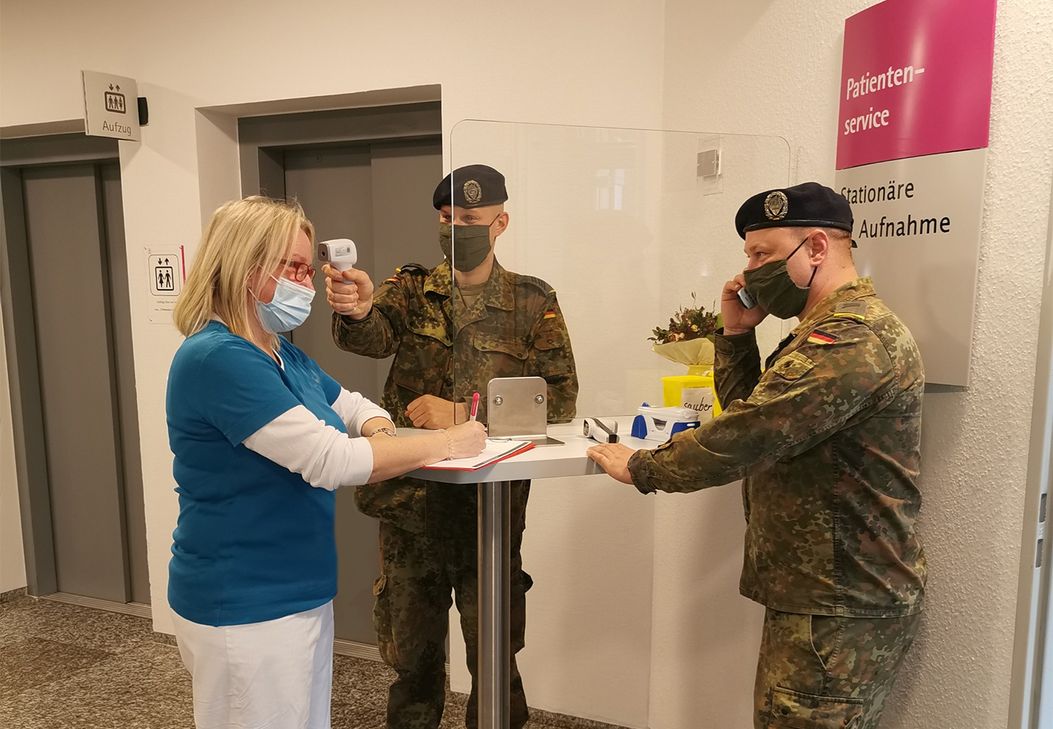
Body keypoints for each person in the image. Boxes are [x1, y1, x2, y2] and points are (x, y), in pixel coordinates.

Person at [588, 182, 926, 729]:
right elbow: (762, 416)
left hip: (839, 600)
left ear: (816, 248)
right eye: (748, 255)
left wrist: (642, 467)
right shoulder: (822, 330)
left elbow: (749, 434)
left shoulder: (852, 337)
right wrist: (737, 336)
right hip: (825, 592)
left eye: (761, 254)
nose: (747, 273)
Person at [165, 196, 486, 729]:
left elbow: (353, 406)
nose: (308, 282)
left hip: (297, 589)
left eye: (306, 267)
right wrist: (446, 443)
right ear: (245, 269)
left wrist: (383, 431)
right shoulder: (218, 358)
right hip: (244, 599)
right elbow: (330, 459)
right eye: (291, 267)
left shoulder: (277, 350)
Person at [324, 164, 578, 729]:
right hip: (411, 506)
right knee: (412, 661)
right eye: (445, 217)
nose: (455, 227)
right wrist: (356, 307)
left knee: (493, 656)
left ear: (500, 223)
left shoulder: (532, 302)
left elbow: (559, 400)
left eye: (469, 218)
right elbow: (373, 333)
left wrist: (466, 415)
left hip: (487, 513)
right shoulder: (411, 289)